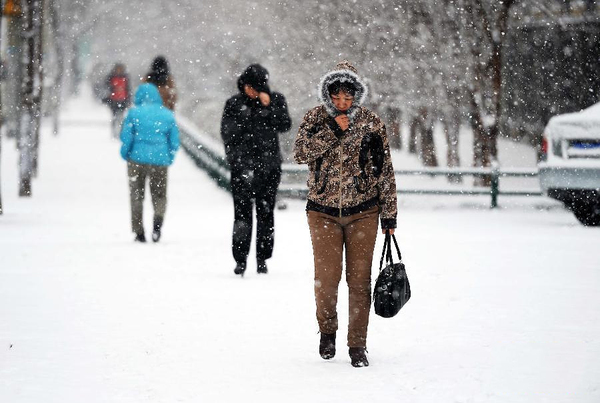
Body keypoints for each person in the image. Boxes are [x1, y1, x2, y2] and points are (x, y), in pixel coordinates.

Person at [293, 61, 398, 368]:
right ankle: (327, 331)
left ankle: (358, 345)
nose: (342, 102)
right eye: (337, 96)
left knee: (360, 281)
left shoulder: (371, 123)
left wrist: (389, 217)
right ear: (328, 94)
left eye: (348, 97)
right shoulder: (315, 118)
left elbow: (385, 171)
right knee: (326, 280)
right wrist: (329, 132)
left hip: (364, 212)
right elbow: (299, 154)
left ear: (356, 96)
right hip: (322, 212)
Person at [220, 64, 291, 276]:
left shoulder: (275, 99)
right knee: (242, 214)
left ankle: (262, 258)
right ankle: (240, 259)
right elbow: (228, 134)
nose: (253, 91)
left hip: (269, 167)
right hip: (242, 168)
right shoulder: (234, 104)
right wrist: (236, 162)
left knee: (266, 213)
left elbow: (285, 124)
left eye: (258, 87)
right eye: (250, 87)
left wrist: (269, 108)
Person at [120, 83, 180, 243]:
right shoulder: (167, 115)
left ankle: (139, 232)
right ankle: (158, 223)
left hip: (136, 159)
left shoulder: (133, 113)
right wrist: (169, 156)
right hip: (160, 160)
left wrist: (125, 153)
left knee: (136, 195)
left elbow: (126, 137)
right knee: (160, 195)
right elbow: (174, 140)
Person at [104, 63, 131, 138]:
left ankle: (120, 133)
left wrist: (128, 100)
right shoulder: (111, 78)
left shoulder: (125, 78)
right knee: (114, 117)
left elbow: (128, 89)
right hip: (114, 101)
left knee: (121, 118)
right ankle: (114, 133)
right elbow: (107, 88)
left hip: (123, 100)